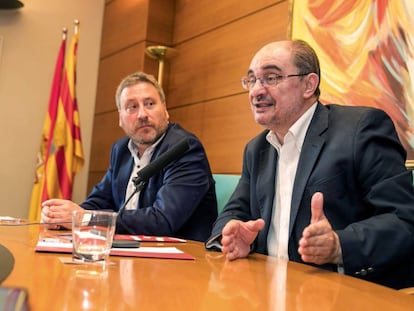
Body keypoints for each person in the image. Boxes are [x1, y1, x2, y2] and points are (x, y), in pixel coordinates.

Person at [206, 39, 414, 289]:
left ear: (308, 84)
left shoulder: (360, 129)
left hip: (343, 294)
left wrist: (339, 246)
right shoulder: (256, 148)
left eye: (271, 78)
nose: (256, 91)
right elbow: (235, 212)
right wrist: (231, 233)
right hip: (264, 290)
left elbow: (404, 218)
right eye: (251, 80)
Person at [41, 71, 217, 242]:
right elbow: (98, 201)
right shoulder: (121, 150)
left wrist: (86, 219)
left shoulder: (184, 148)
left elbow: (163, 220)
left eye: (150, 104)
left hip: (181, 261)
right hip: (130, 254)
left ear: (165, 110)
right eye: (132, 107)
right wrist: (66, 217)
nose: (142, 115)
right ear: (120, 118)